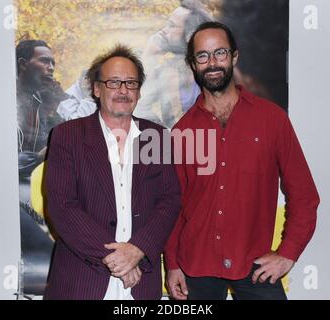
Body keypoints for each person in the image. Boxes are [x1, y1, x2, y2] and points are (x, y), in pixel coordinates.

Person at [164, 22, 320, 300]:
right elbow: (173, 206)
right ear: (192, 64)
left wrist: (288, 253)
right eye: (203, 56)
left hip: (255, 264)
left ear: (234, 57)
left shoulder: (272, 119)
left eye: (220, 53)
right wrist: (173, 264)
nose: (212, 63)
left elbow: (304, 195)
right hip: (196, 266)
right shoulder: (181, 132)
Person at [44, 45, 181, 300]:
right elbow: (62, 205)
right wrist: (114, 258)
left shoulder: (157, 137)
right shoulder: (67, 136)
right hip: (82, 280)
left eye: (131, 83)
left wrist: (137, 250)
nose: (123, 90)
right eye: (113, 82)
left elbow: (170, 200)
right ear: (97, 89)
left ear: (139, 92)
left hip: (141, 281)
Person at [16, 40, 69, 294]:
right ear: (23, 64)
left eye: (53, 63)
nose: (51, 68)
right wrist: (39, 156)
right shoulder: (2, 103)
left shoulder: (41, 101)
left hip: (34, 187)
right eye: (44, 61)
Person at [134, 0, 212, 128]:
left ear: (190, 35)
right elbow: (136, 109)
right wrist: (148, 54)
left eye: (171, 26)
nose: (164, 31)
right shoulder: (164, 72)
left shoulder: (216, 73)